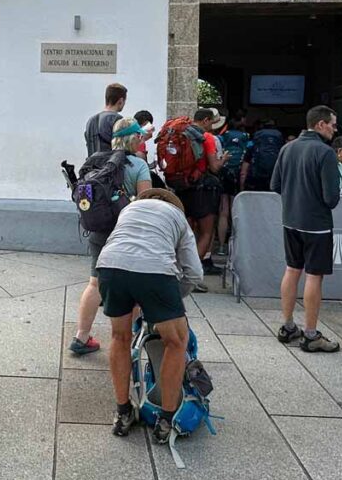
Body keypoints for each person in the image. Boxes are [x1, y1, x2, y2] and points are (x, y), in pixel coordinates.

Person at [96, 189, 203, 444]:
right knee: (176, 342)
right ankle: (166, 419)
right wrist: (172, 301)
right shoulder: (177, 217)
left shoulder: (129, 210)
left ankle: (123, 412)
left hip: (109, 266)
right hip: (155, 271)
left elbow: (125, 249)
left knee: (119, 337)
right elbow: (195, 273)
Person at [71, 117, 153, 356]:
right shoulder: (138, 165)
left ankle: (81, 337)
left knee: (95, 282)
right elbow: (145, 202)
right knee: (134, 286)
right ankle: (126, 342)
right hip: (127, 233)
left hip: (98, 229)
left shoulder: (96, 161)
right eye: (140, 136)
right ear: (135, 138)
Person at [270, 105, 342, 353]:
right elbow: (331, 198)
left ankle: (288, 325)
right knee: (314, 275)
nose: (335, 128)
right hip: (317, 224)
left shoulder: (287, 148)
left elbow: (275, 184)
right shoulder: (325, 153)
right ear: (321, 124)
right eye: (332, 124)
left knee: (292, 269)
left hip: (290, 219)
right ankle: (311, 334)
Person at [172, 109, 227, 274]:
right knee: (206, 233)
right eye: (211, 122)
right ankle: (191, 274)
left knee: (186, 235)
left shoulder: (182, 134)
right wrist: (223, 159)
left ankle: (177, 269)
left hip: (182, 188)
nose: (211, 126)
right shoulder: (207, 137)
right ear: (205, 120)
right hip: (202, 191)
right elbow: (214, 167)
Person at [217, 110, 250, 257]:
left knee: (223, 211)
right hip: (238, 174)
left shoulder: (223, 136)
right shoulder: (246, 137)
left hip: (224, 173)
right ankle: (236, 246)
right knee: (236, 211)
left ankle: (221, 247)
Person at [240, 119, 284, 192]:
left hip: (257, 181)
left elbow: (243, 173)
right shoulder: (282, 147)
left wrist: (242, 190)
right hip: (275, 181)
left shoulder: (252, 145)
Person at [84, 83, 127, 156]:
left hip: (91, 165)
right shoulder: (117, 119)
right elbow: (123, 148)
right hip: (111, 166)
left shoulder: (91, 121)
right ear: (121, 100)